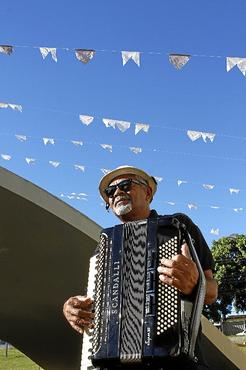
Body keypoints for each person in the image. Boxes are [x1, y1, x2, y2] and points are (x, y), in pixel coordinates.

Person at [63, 165, 218, 369]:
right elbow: (97, 307)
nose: (117, 192)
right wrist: (72, 309)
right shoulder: (105, 248)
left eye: (125, 185)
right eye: (110, 192)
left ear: (147, 193)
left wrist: (197, 283)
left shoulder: (178, 225)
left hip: (176, 362)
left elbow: (212, 291)